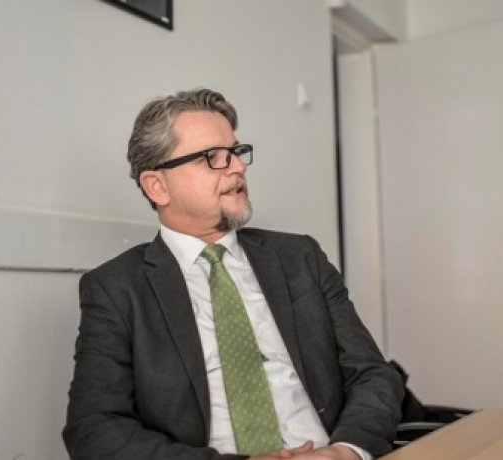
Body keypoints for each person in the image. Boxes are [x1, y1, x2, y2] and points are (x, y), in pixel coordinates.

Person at [62, 88, 403, 460]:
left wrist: (345, 451)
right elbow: (94, 429)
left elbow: (373, 374)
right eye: (213, 157)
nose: (238, 167)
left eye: (236, 152)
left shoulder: (300, 257)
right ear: (157, 186)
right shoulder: (116, 289)